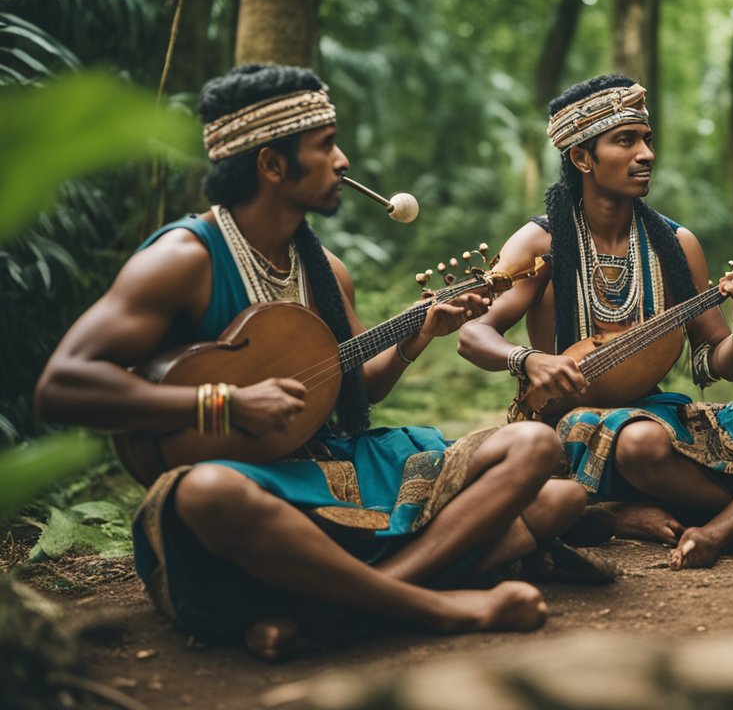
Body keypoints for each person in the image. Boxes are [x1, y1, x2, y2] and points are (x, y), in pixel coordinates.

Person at [34, 64, 593, 660]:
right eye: (326, 146)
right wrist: (225, 402)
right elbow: (62, 386)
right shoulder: (183, 259)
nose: (343, 161)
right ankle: (434, 603)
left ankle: (338, 612)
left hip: (332, 469)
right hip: (253, 489)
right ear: (273, 166)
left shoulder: (325, 271)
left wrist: (413, 337)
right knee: (206, 492)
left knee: (538, 455)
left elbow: (358, 390)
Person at [458, 74, 733, 570]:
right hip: (577, 425)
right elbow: (473, 335)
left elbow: (716, 363)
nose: (646, 153)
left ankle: (714, 530)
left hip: (665, 419)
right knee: (640, 441)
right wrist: (528, 359)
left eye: (647, 139)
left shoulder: (675, 244)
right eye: (626, 140)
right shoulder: (542, 242)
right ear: (582, 159)